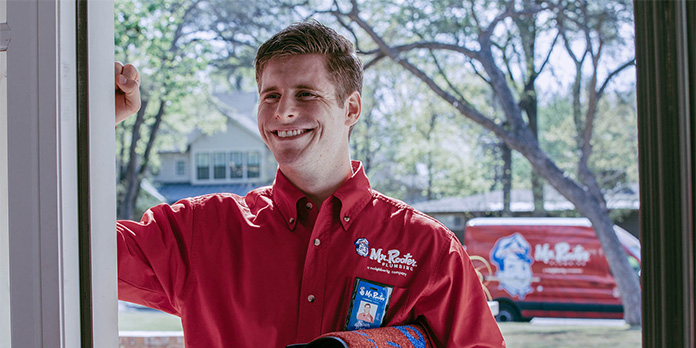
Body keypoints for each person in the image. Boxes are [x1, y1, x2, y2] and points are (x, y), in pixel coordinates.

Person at [114, 20, 505, 347]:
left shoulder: (428, 249)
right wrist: (93, 123)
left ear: (350, 108)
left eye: (305, 94)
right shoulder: (201, 230)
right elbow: (73, 251)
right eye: (271, 95)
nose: (284, 111)